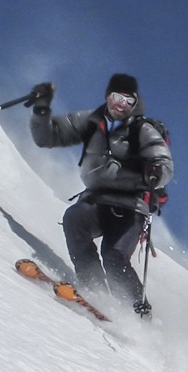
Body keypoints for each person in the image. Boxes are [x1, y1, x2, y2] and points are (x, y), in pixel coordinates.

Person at [27, 74, 173, 316]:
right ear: (108, 96)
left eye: (128, 101)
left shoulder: (142, 130)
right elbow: (47, 137)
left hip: (131, 207)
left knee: (114, 255)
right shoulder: (91, 121)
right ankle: (95, 291)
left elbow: (162, 158)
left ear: (135, 104)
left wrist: (156, 170)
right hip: (96, 201)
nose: (121, 104)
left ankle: (139, 314)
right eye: (117, 97)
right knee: (74, 219)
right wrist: (41, 109)